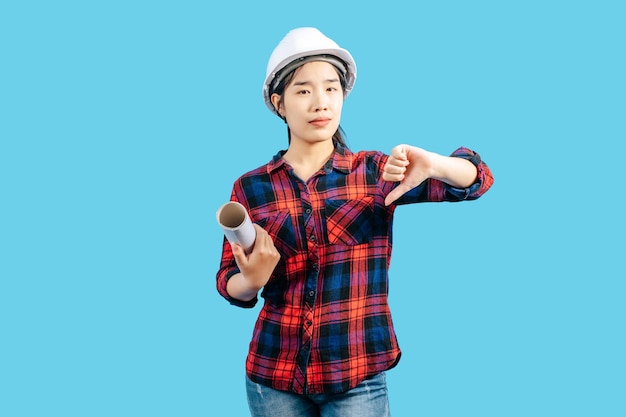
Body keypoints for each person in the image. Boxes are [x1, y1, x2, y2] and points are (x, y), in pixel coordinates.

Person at [216, 27, 494, 417]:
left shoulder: (375, 173)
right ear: (279, 103)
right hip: (273, 375)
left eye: (331, 89)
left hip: (357, 374)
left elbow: (477, 179)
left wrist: (435, 164)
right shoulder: (251, 187)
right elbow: (230, 284)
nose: (320, 103)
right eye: (303, 90)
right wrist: (251, 279)